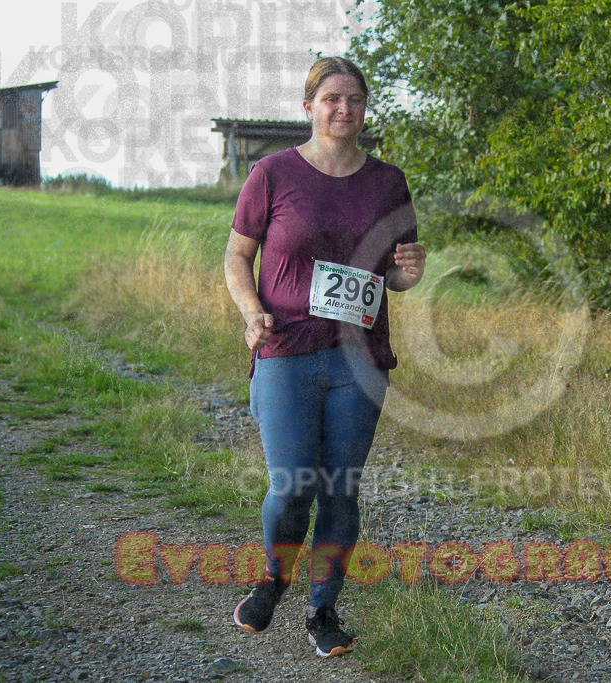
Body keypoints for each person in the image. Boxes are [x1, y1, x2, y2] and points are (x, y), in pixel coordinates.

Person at [223, 56, 426, 658]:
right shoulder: (272, 173)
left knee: (340, 487)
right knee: (292, 485)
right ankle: (273, 576)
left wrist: (410, 273)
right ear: (308, 107)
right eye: (331, 98)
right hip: (286, 347)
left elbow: (399, 275)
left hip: (358, 359)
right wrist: (250, 311)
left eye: (355, 99)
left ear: (365, 109)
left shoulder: (389, 182)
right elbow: (237, 257)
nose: (344, 109)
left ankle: (323, 609)